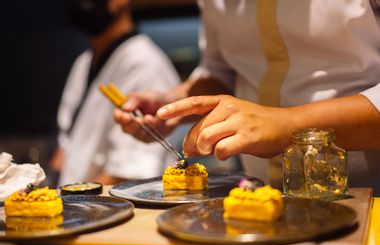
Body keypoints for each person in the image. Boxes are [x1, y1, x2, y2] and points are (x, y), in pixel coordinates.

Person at [114, 0, 380, 194]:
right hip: (257, 192)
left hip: (366, 192)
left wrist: (287, 126)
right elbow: (222, 70)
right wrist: (172, 102)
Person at [50, 0, 180, 186]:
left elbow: (128, 175)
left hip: (111, 210)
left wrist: (67, 203)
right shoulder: (84, 63)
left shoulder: (144, 65)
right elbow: (66, 143)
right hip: (76, 204)